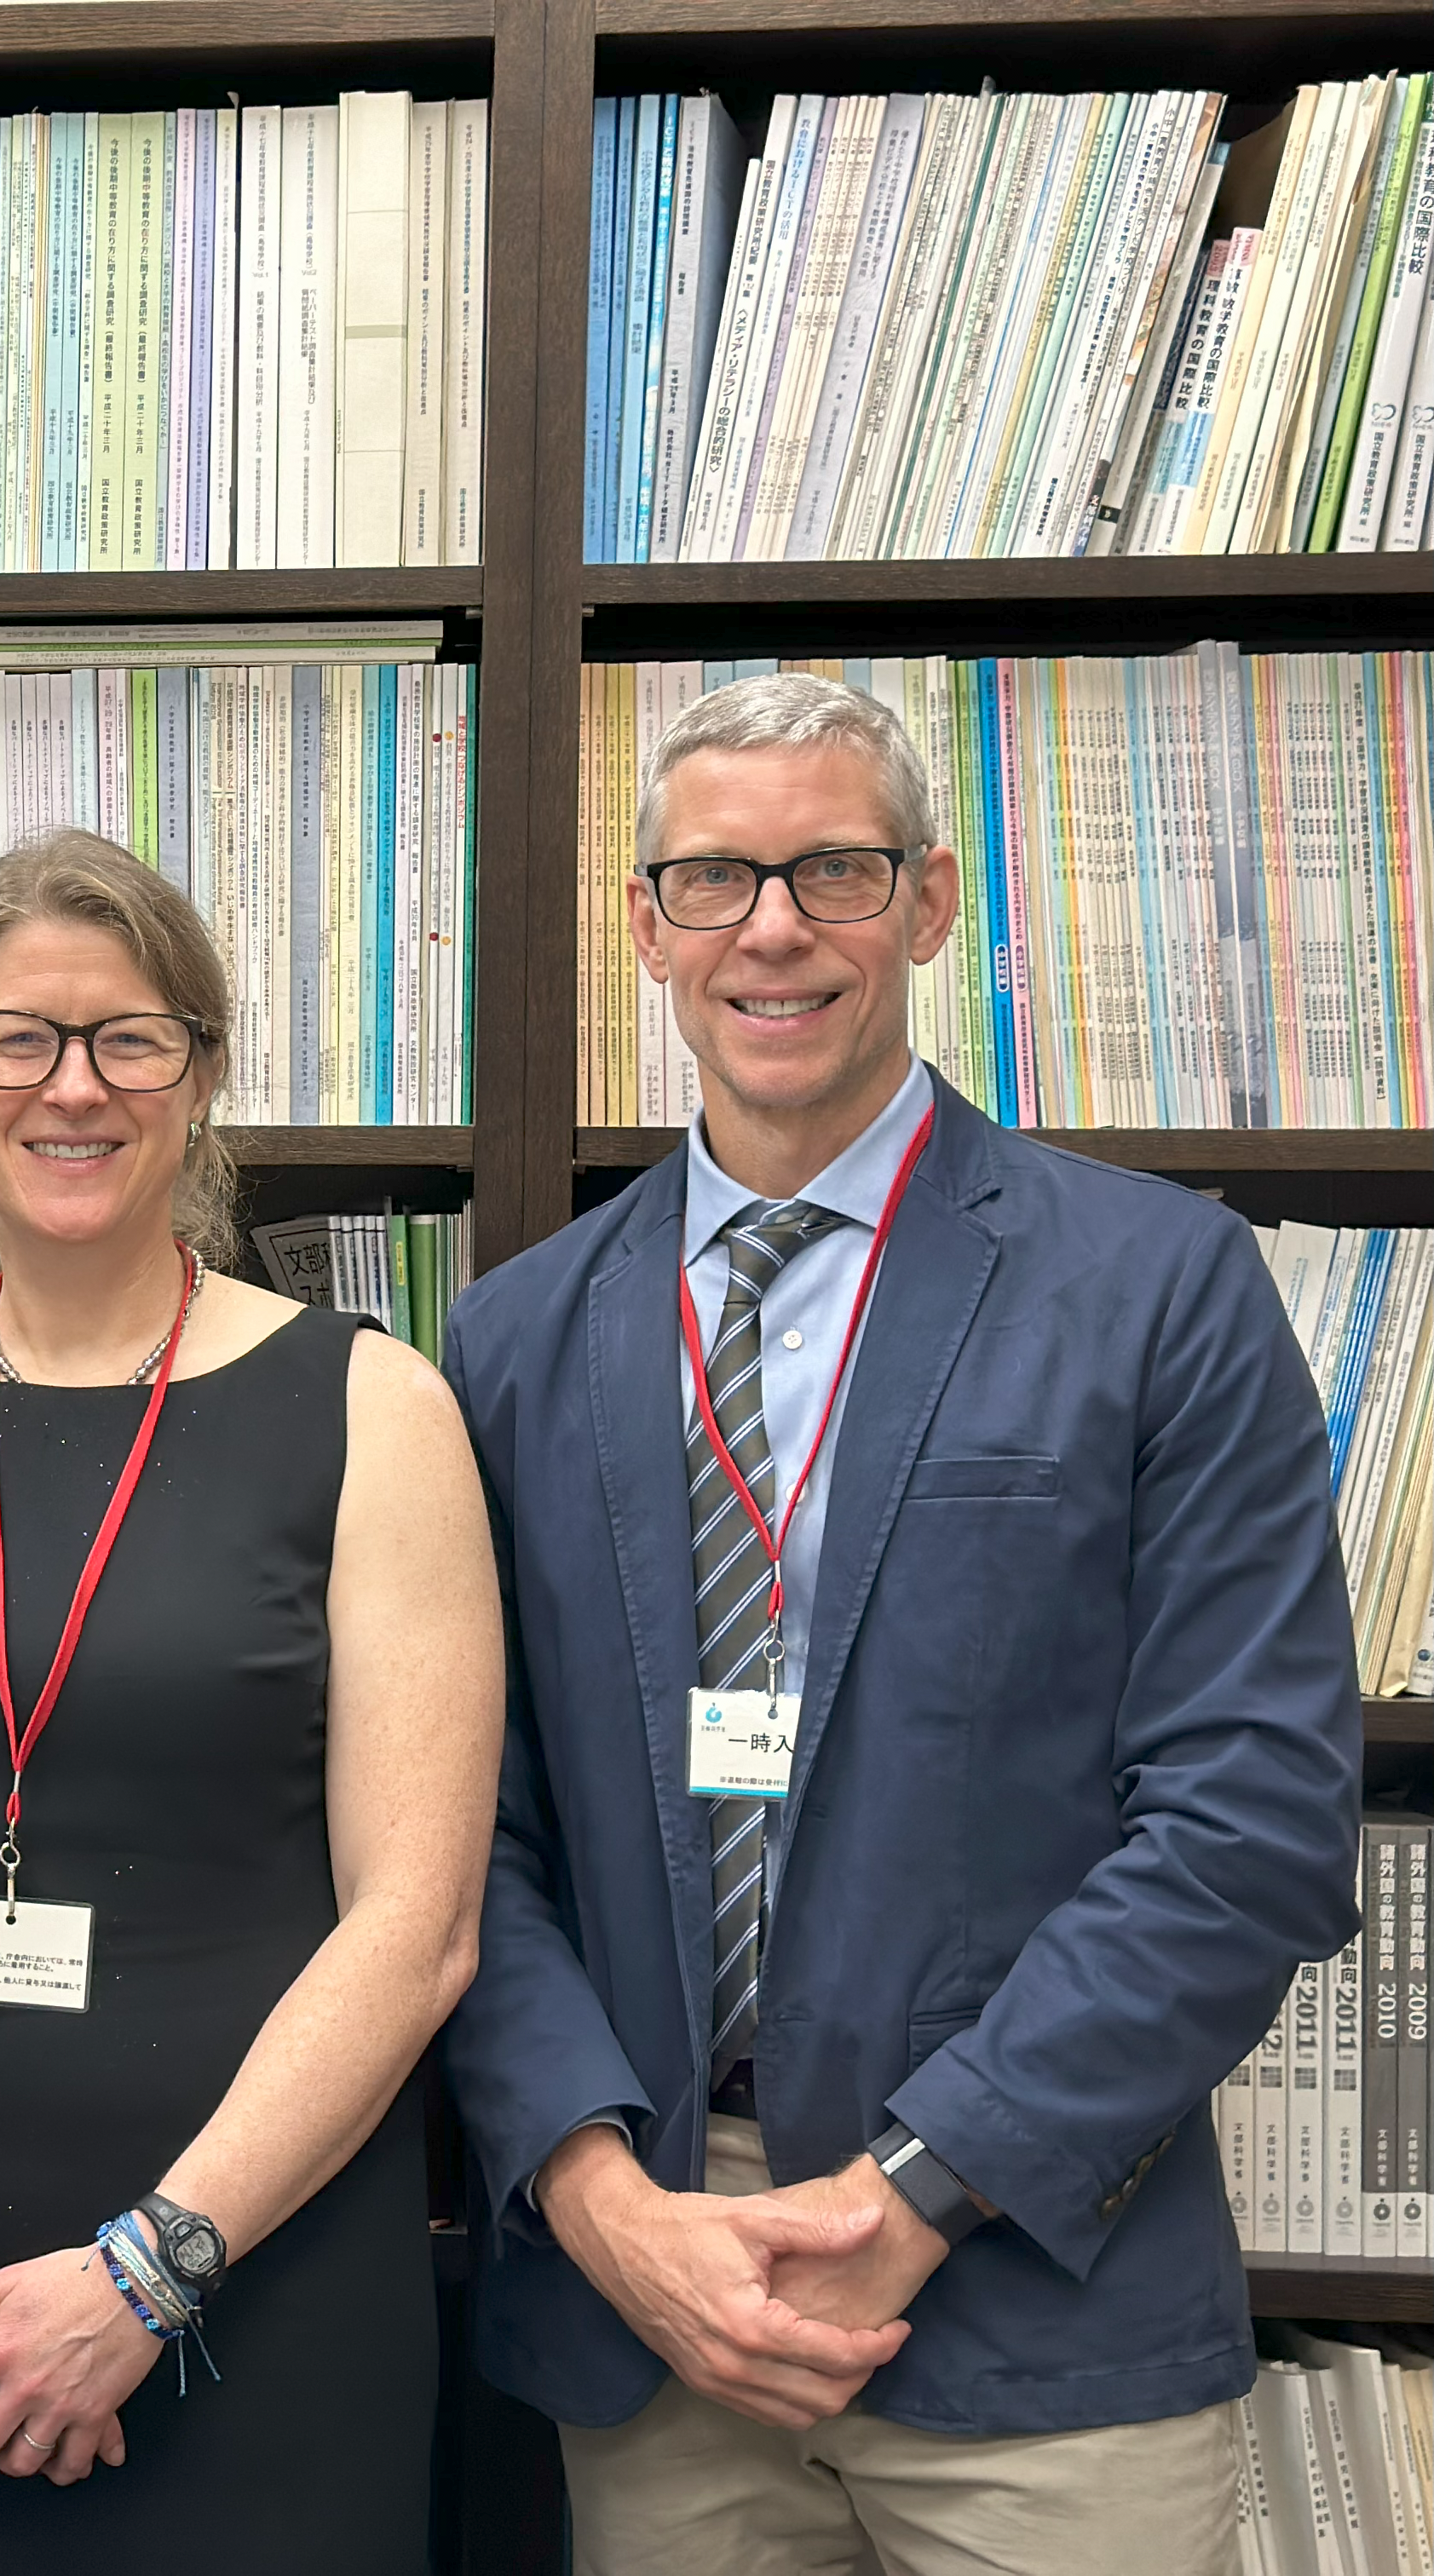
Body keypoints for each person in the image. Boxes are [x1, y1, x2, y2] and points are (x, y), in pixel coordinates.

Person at [440, 671, 1365, 2575]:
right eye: (713, 878)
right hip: (657, 2309)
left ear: (931, 903)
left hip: (1033, 2290)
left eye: (833, 871)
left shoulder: (1159, 1289)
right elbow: (467, 1843)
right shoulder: (517, 1339)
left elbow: (1253, 1814)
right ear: (645, 925)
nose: (772, 927)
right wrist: (607, 2204)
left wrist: (924, 2190)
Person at [0, 830, 503, 2572]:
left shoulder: (376, 1411)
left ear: (202, 1077)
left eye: (131, 1039)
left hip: (256, 2293)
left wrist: (152, 2274)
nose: (74, 1088)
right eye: (17, 1039)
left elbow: (419, 1923)